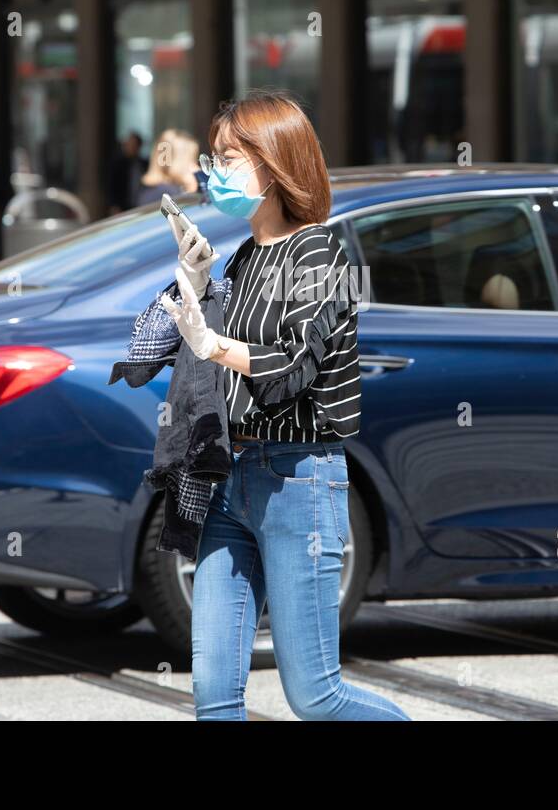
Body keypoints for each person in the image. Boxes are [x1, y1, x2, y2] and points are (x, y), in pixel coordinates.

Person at [158, 91, 410, 720]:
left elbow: (295, 367)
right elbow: (199, 359)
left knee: (316, 695)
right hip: (232, 476)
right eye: (213, 158)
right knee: (213, 693)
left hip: (299, 480)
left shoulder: (317, 254)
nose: (214, 173)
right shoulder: (244, 257)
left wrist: (214, 343)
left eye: (228, 158)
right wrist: (194, 286)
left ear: (273, 165)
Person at [135, 129, 199, 207]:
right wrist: (192, 189)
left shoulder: (148, 187)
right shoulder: (169, 193)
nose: (196, 166)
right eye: (191, 159)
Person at [106, 130, 146, 215]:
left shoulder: (143, 164)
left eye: (134, 145)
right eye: (129, 145)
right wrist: (114, 205)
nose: (131, 147)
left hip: (140, 205)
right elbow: (112, 186)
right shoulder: (117, 164)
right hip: (123, 206)